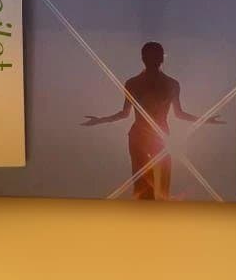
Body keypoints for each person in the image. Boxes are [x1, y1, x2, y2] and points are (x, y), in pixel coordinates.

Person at [82, 41, 223, 200]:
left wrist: (206, 120)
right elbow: (177, 114)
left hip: (154, 137)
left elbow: (126, 114)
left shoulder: (152, 83)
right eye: (151, 56)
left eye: (154, 56)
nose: (153, 60)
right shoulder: (144, 83)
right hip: (147, 137)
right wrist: (100, 120)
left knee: (156, 181)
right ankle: (149, 209)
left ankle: (153, 208)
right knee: (147, 183)